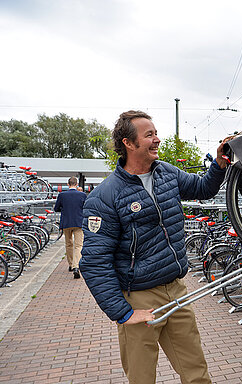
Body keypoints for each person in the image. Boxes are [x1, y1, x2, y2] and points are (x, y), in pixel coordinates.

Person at [80, 110, 229, 384]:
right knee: (142, 378)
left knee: (197, 374)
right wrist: (123, 313)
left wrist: (218, 165)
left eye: (156, 133)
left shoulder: (166, 173)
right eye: (149, 135)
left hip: (176, 291)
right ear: (128, 143)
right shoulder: (105, 196)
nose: (157, 139)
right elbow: (94, 262)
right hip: (138, 298)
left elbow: (202, 189)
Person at [54, 176, 86, 279]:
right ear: (76, 184)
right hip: (78, 222)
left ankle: (71, 264)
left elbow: (56, 208)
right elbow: (86, 208)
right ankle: (76, 266)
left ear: (68, 184)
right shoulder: (82, 195)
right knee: (78, 245)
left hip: (66, 222)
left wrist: (65, 210)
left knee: (68, 244)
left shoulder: (62, 195)